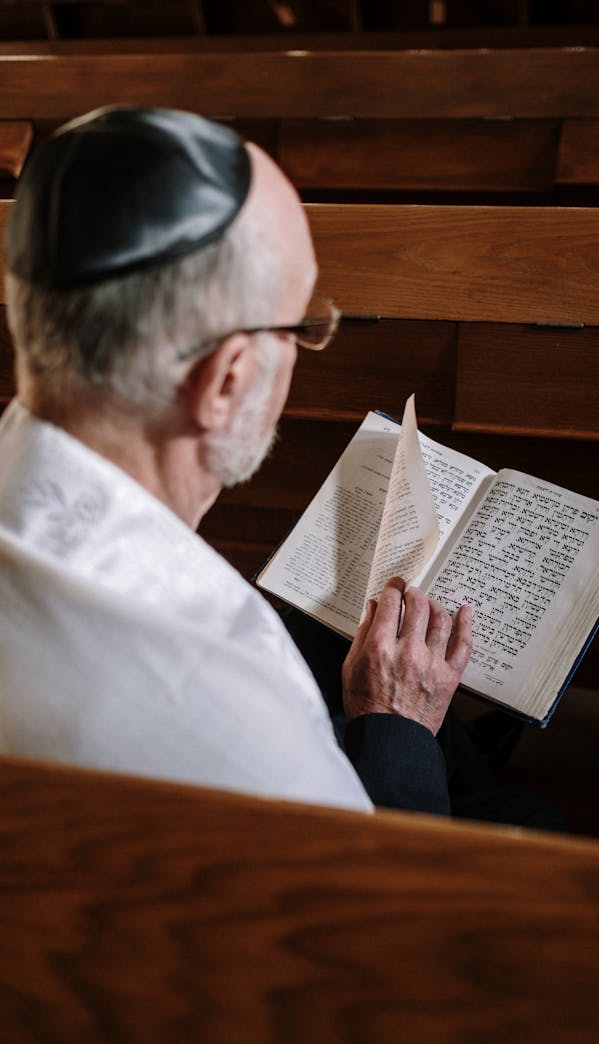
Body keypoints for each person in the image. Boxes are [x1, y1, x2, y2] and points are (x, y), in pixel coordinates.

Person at [0, 106, 559, 828]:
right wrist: (396, 726)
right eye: (302, 325)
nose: (304, 344)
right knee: (530, 817)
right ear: (226, 381)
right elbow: (377, 904)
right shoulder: (232, 695)